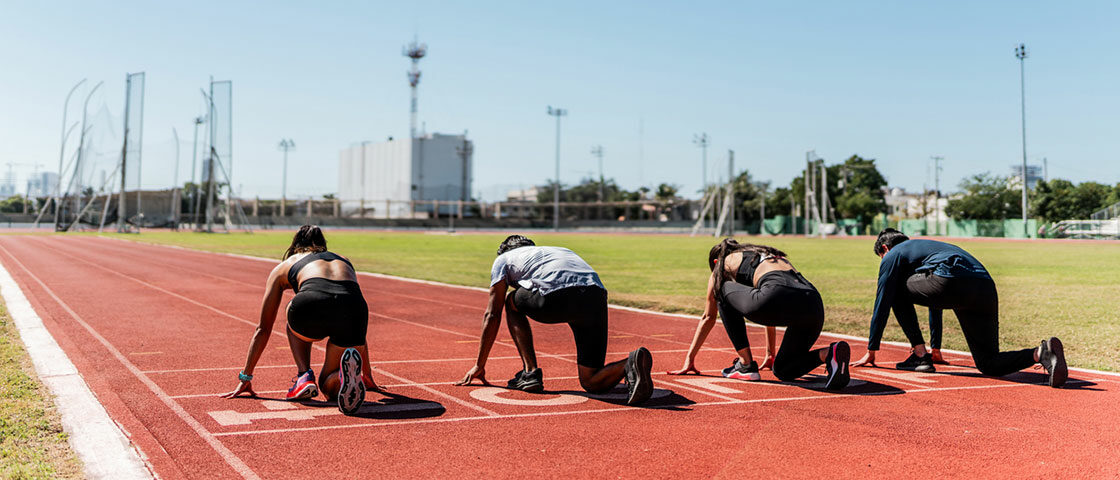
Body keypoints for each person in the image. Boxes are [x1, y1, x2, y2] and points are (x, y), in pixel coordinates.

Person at [454, 235, 655, 406]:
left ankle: (530, 372)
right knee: (592, 381)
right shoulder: (559, 249)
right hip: (596, 297)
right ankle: (631, 361)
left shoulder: (504, 259)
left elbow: (492, 314)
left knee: (509, 302)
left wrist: (479, 365)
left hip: (557, 297)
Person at [852, 228, 1068, 387]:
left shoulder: (893, 255)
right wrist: (936, 349)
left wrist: (872, 350)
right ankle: (1041, 353)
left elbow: (882, 302)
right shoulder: (925, 249)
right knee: (988, 364)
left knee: (894, 288)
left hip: (950, 282)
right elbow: (933, 299)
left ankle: (919, 355)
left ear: (884, 249)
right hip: (984, 287)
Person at [221, 225, 382, 414]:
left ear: (295, 245)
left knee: (293, 309)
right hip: (355, 310)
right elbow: (357, 325)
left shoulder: (285, 266)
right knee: (327, 384)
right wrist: (367, 375)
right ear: (323, 244)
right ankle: (340, 378)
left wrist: (245, 377)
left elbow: (263, 328)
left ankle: (303, 375)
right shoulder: (344, 260)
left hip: (310, 306)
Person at [669, 238, 851, 391]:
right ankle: (830, 353)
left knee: (721, 290)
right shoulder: (761, 255)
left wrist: (690, 359)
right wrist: (770, 355)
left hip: (775, 297)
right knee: (784, 370)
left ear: (716, 262)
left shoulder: (724, 264)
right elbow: (771, 309)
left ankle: (746, 364)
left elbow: (708, 316)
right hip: (813, 304)